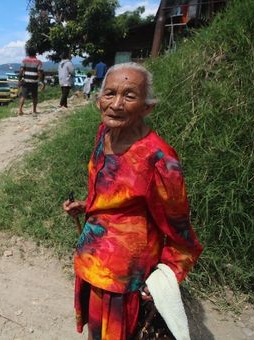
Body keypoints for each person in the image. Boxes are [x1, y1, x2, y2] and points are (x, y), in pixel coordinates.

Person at [63, 62, 203, 340]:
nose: (116, 104)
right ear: (98, 100)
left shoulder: (159, 159)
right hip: (91, 260)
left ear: (147, 107)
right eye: (109, 93)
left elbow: (181, 230)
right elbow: (110, 192)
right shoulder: (105, 134)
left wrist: (169, 274)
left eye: (129, 95)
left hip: (124, 276)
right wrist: (87, 206)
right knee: (95, 333)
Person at [18, 46, 45, 116]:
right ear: (35, 53)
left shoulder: (24, 61)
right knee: (35, 97)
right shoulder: (38, 62)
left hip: (26, 81)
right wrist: (42, 81)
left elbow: (21, 71)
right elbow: (39, 72)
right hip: (34, 82)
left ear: (28, 53)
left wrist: (19, 80)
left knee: (23, 96)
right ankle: (34, 111)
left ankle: (20, 110)